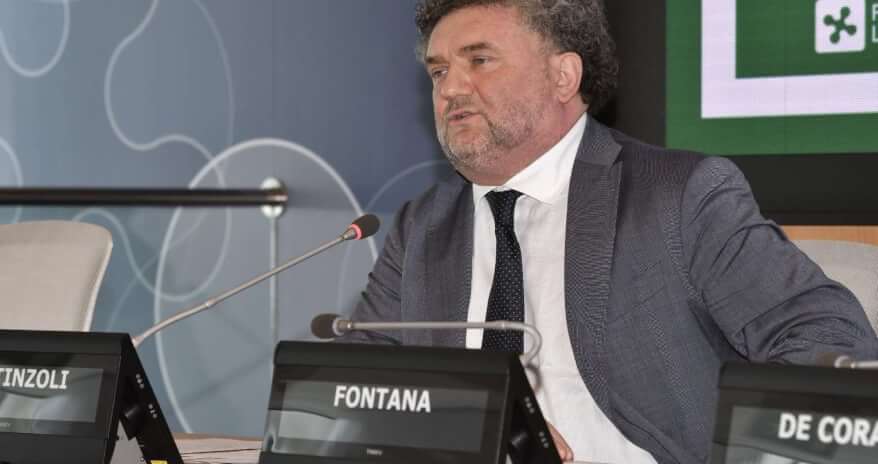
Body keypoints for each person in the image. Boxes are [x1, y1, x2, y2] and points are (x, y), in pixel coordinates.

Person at [346, 0, 878, 463]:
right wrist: (472, 428)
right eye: (439, 71)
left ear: (563, 76)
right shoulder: (423, 227)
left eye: (479, 61)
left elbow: (829, 343)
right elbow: (360, 384)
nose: (451, 88)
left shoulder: (679, 196)